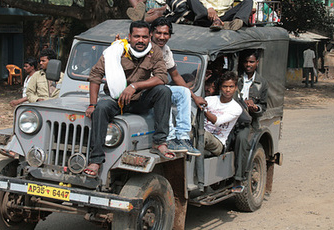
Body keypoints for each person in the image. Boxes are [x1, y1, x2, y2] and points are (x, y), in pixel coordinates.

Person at [84, 21, 173, 178]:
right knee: (101, 108)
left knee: (164, 91)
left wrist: (135, 86)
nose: (141, 40)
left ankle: (159, 142)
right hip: (117, 100)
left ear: (149, 37)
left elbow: (161, 77)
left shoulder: (155, 52)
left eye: (144, 37)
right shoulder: (116, 50)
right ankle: (96, 160)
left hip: (140, 99)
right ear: (129, 37)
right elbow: (96, 74)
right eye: (137, 36)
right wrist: (92, 104)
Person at [150, 17, 204, 156]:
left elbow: (175, 76)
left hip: (160, 89)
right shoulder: (145, 47)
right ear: (151, 33)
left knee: (183, 92)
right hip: (145, 91)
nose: (162, 37)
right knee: (164, 92)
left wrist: (194, 96)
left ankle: (183, 137)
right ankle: (170, 137)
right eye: (158, 33)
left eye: (165, 34)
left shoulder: (166, 50)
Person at [233, 50, 268, 192]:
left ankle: (239, 178)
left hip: (247, 122)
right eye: (246, 61)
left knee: (242, 140)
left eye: (252, 62)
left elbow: (263, 106)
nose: (248, 64)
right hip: (231, 118)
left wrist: (254, 107)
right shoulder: (236, 78)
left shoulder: (262, 83)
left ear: (257, 63)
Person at [203, 71, 242, 156]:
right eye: (225, 86)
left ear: (235, 88)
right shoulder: (209, 100)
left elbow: (218, 121)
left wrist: (204, 110)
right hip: (202, 134)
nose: (228, 90)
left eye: (231, 87)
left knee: (203, 135)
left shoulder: (236, 108)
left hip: (218, 142)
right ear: (220, 87)